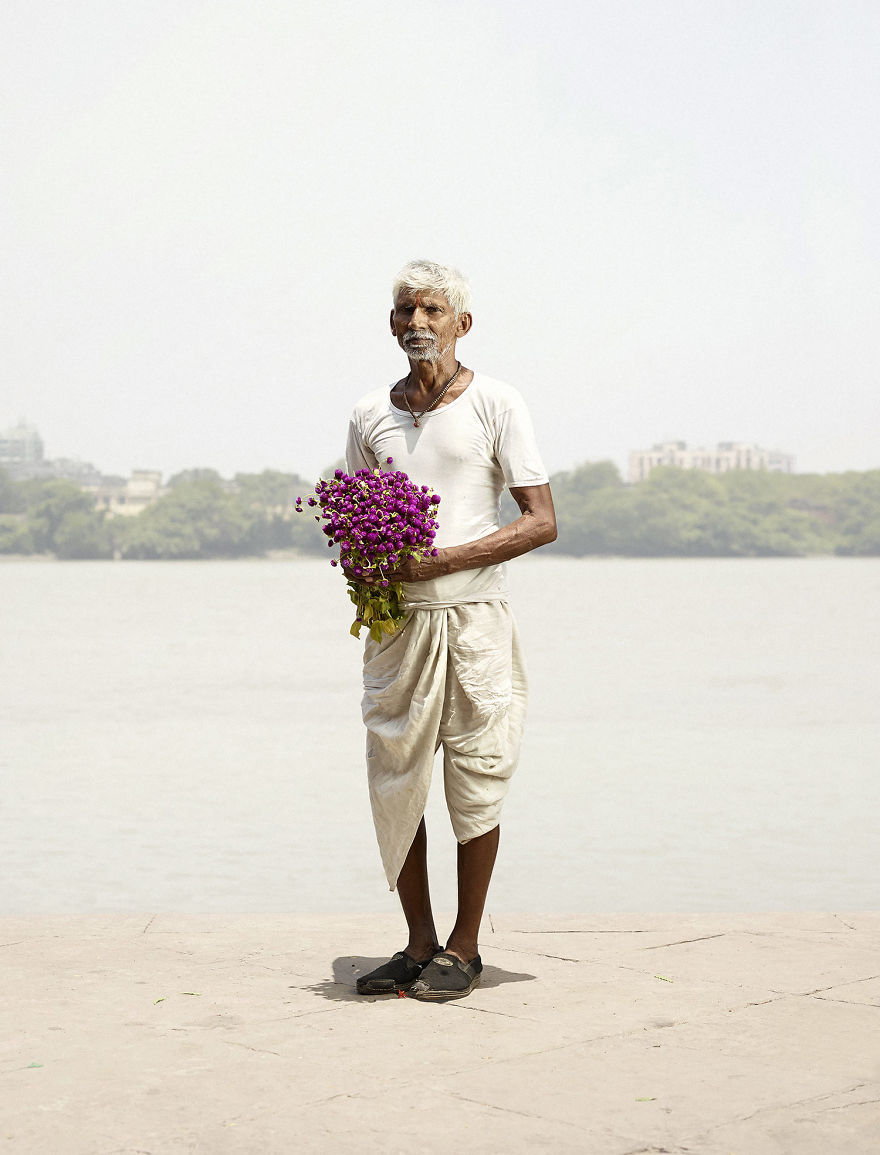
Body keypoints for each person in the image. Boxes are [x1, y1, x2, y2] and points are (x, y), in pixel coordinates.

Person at [345, 259, 556, 1000]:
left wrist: (439, 562)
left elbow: (541, 520)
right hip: (399, 628)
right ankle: (418, 943)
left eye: (433, 310)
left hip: (473, 622)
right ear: (391, 322)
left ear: (462, 324)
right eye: (405, 310)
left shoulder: (498, 402)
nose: (417, 323)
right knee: (395, 777)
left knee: (478, 772)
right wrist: (371, 578)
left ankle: (464, 949)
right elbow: (357, 521)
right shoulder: (371, 413)